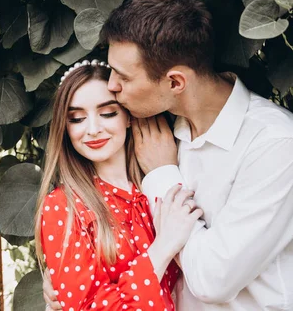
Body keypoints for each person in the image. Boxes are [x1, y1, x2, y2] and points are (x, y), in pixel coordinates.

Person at [45, 0, 293, 310]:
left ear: (175, 82)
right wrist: (79, 290)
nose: (112, 86)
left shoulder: (275, 144)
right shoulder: (154, 129)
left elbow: (212, 280)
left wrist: (163, 175)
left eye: (122, 77)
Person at [35, 59, 203, 310]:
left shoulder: (154, 187)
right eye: (77, 118)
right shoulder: (62, 206)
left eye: (108, 113)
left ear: (128, 116)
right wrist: (162, 248)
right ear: (65, 128)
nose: (92, 129)